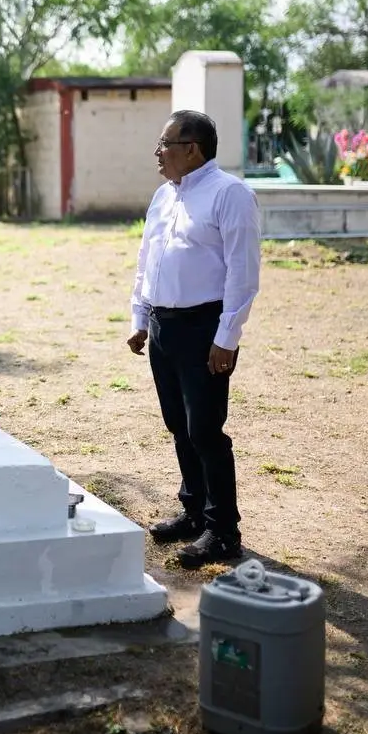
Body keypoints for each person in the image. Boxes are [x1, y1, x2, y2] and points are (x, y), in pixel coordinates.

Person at [127, 111, 261, 568]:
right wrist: (140, 317)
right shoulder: (164, 196)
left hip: (204, 328)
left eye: (164, 144)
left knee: (205, 431)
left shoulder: (230, 194)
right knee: (178, 426)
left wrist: (227, 337)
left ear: (193, 148)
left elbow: (243, 274)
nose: (157, 153)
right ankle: (194, 512)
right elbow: (148, 259)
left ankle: (223, 531)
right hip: (163, 326)